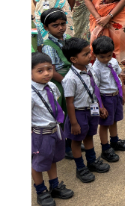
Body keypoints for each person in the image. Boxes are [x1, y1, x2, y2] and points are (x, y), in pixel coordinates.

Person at [62, 37, 110, 183]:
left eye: (89, 52)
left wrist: (100, 106)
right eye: (85, 54)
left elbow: (94, 89)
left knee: (89, 136)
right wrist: (74, 123)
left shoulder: (90, 69)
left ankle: (92, 161)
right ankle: (80, 168)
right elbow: (69, 102)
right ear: (73, 59)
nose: (90, 55)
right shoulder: (70, 79)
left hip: (92, 110)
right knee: (76, 141)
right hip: (78, 113)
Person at [32, 52, 74, 206]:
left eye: (49, 69)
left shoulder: (52, 86)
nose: (46, 73)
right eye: (40, 71)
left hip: (55, 130)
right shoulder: (29, 93)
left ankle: (54, 186)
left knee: (52, 159)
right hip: (40, 133)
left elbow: (54, 103)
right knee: (38, 163)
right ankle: (41, 191)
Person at [91, 36, 125, 163]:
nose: (106, 59)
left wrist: (122, 94)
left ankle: (115, 142)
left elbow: (119, 77)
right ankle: (105, 149)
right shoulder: (95, 68)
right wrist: (100, 106)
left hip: (115, 96)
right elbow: (95, 88)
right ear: (95, 55)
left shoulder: (113, 62)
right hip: (105, 98)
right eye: (102, 57)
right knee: (104, 124)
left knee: (114, 120)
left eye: (109, 55)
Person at [40, 9, 74, 158]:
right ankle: (66, 146)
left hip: (71, 77)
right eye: (55, 25)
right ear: (46, 27)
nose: (60, 28)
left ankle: (73, 141)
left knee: (74, 110)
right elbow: (51, 71)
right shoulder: (48, 46)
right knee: (64, 113)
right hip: (60, 82)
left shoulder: (67, 39)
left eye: (63, 24)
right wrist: (66, 82)